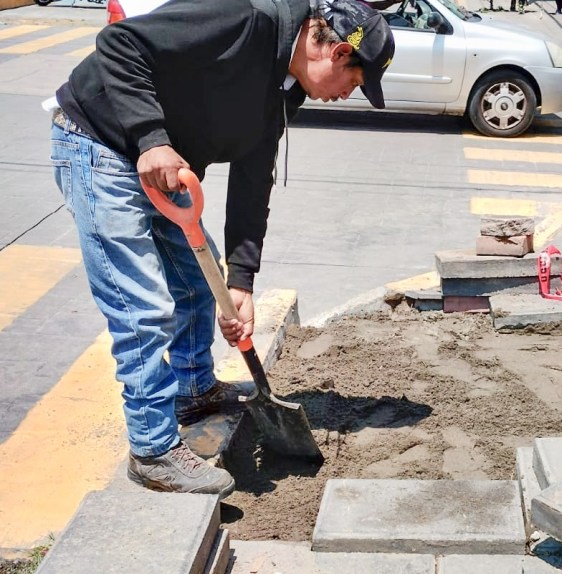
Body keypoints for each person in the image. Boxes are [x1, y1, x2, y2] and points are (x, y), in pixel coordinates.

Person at [49, 0, 395, 499]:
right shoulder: (245, 18)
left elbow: (254, 181)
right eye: (355, 83)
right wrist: (150, 139)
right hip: (100, 141)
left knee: (195, 282)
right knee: (143, 308)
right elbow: (119, 44)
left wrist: (241, 281)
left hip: (162, 166)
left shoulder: (283, 90)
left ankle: (193, 390)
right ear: (338, 53)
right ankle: (152, 451)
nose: (348, 95)